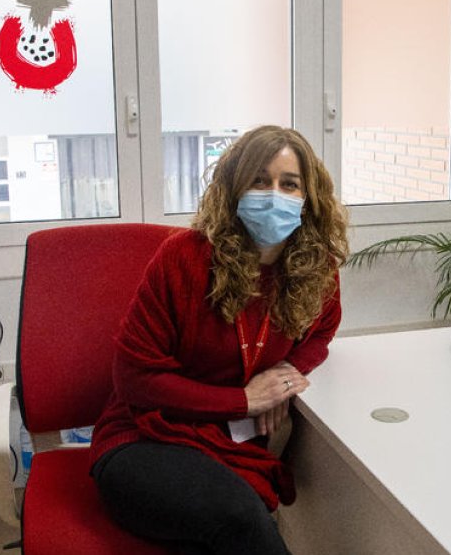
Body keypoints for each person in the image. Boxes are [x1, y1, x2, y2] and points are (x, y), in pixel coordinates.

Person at [87, 125, 349, 554]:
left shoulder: (314, 268)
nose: (274, 194)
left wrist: (287, 371)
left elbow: (323, 330)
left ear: (309, 197)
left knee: (221, 536)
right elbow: (134, 378)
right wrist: (245, 401)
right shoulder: (184, 258)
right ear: (234, 186)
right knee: (240, 521)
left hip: (229, 445)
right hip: (143, 439)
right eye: (259, 180)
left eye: (290, 184)